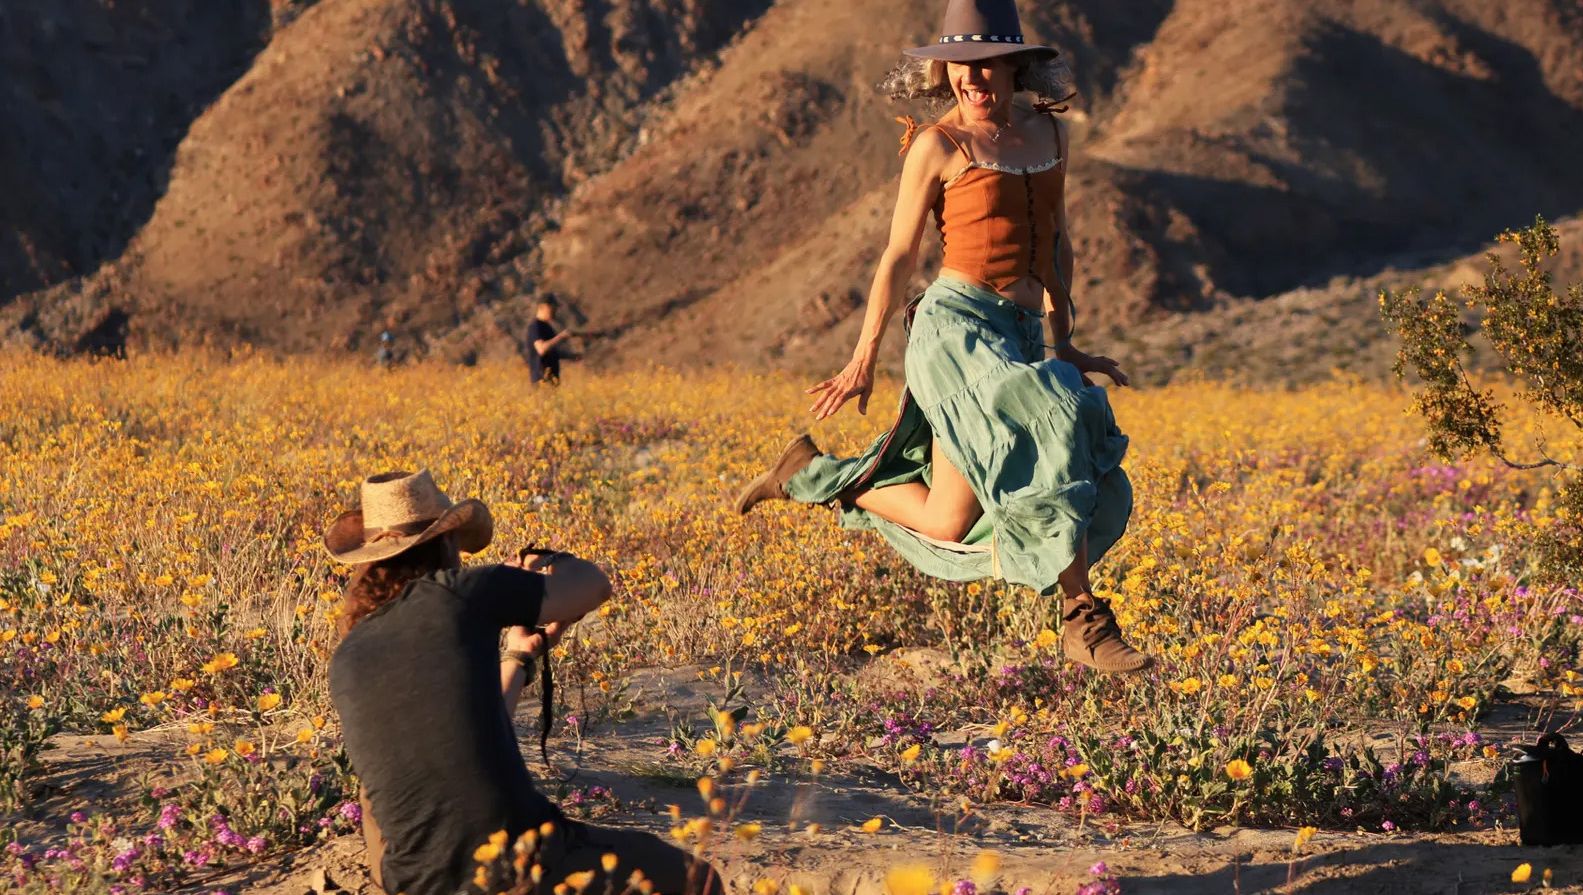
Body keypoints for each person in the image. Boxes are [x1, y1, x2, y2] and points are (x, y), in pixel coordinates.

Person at [733, 0, 1150, 673]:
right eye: (962, 69)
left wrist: (1063, 339)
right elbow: (898, 255)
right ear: (945, 72)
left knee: (949, 520)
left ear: (1016, 72)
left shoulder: (1049, 136)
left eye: (988, 70)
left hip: (1017, 336)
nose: (974, 83)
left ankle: (810, 473)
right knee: (1058, 411)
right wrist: (863, 357)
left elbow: (1056, 240)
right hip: (953, 330)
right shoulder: (939, 146)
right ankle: (1084, 619)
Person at [325, 470, 719, 895]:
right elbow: (592, 586)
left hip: (412, 880)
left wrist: (518, 656)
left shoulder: (349, 653)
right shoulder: (456, 594)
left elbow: (460, 732)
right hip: (518, 864)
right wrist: (542, 564)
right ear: (445, 543)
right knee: (699, 881)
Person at [525, 296, 571, 385]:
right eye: (553, 308)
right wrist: (560, 337)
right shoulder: (535, 327)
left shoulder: (547, 327)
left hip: (552, 381)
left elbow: (550, 352)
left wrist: (570, 356)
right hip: (541, 381)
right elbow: (541, 349)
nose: (555, 311)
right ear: (543, 307)